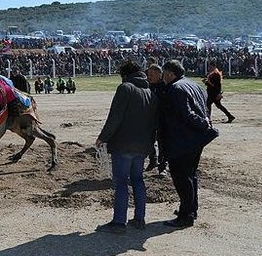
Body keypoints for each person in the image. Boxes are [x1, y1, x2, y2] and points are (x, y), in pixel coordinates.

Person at [94, 61, 159, 233]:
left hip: (123, 145)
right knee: (138, 180)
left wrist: (102, 137)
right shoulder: (150, 93)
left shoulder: (125, 88)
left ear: (125, 75)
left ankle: (118, 223)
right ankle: (139, 219)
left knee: (121, 182)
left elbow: (115, 117)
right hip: (142, 146)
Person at [159, 60, 219, 228]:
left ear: (170, 74)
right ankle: (191, 209)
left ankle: (186, 215)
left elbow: (187, 114)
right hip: (194, 140)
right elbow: (205, 107)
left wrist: (204, 124)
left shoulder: (176, 89)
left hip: (183, 140)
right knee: (191, 176)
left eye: (164, 74)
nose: (163, 77)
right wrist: (205, 122)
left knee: (182, 178)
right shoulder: (193, 84)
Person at [144, 64, 167, 175]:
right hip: (150, 119)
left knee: (162, 143)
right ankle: (153, 160)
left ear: (159, 74)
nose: (149, 77)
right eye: (148, 74)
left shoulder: (165, 86)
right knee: (148, 141)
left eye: (152, 75)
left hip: (162, 119)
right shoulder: (147, 86)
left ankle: (163, 166)